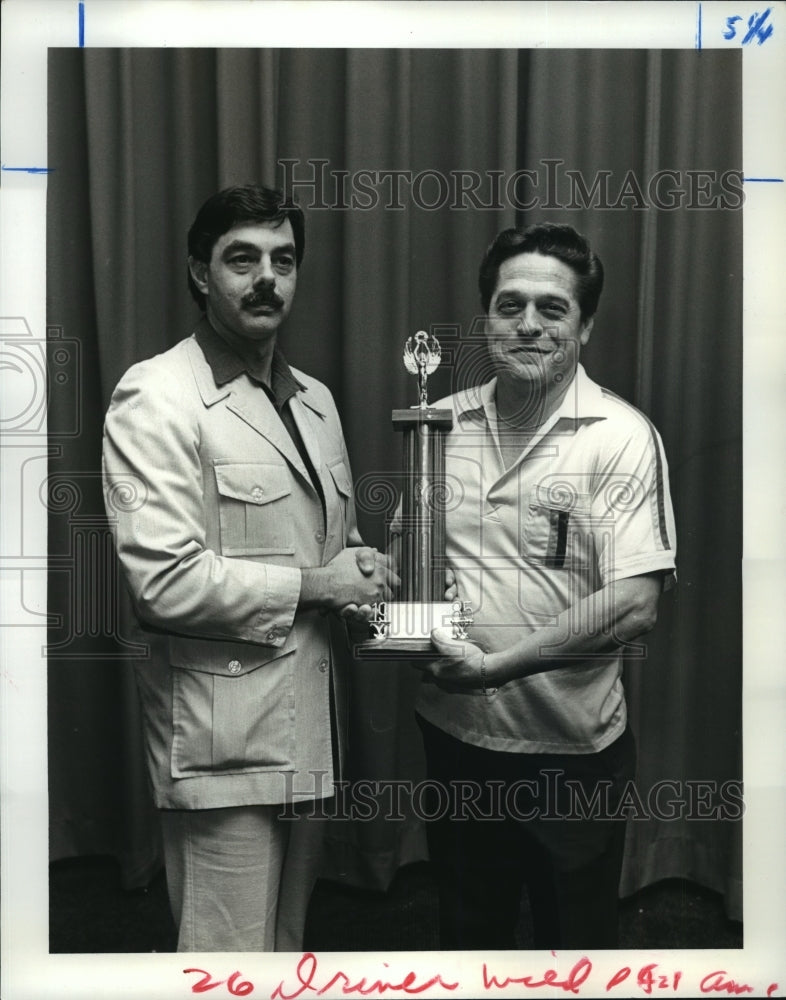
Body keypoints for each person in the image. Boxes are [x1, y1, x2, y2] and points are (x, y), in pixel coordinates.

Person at [102, 184, 398, 952]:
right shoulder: (157, 395)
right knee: (225, 964)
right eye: (243, 259)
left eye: (284, 260)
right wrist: (324, 584)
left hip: (308, 737)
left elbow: (332, 556)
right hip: (222, 748)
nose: (267, 278)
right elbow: (163, 583)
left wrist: (379, 584)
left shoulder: (317, 402)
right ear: (202, 274)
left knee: (288, 954)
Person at [410, 222, 677, 950]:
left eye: (552, 309)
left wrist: (494, 668)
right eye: (510, 304)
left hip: (570, 759)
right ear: (487, 317)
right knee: (467, 943)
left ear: (584, 326)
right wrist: (376, 616)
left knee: (576, 950)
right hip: (455, 742)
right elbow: (409, 567)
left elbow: (635, 603)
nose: (528, 324)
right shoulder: (441, 426)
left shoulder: (619, 436)